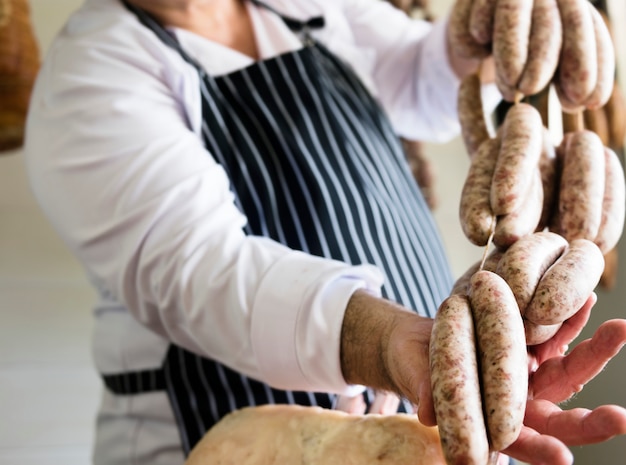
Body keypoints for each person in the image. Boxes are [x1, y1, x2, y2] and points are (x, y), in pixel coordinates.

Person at [23, 0, 626, 464]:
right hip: (216, 434)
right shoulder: (92, 72)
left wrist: (478, 35)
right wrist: (392, 344)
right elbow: (207, 275)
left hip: (417, 393)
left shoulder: (304, 7)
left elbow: (420, 83)